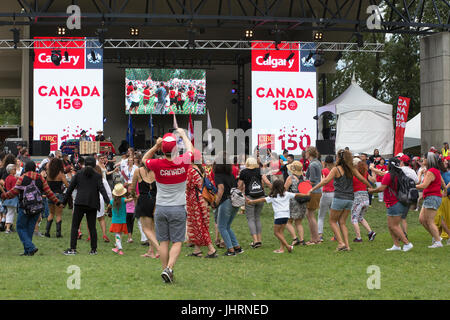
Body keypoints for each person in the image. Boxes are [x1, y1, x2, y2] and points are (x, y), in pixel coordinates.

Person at [142, 129, 194, 284]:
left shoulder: (157, 163)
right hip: (178, 208)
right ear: (176, 149)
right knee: (177, 241)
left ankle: (166, 270)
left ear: (163, 149)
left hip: (161, 208)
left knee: (163, 242)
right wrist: (184, 135)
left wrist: (155, 146)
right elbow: (191, 150)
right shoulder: (183, 162)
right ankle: (169, 268)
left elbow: (144, 159)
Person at [308, 149, 371, 251]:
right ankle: (347, 246)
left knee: (332, 221)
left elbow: (325, 181)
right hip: (350, 199)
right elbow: (362, 179)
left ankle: (341, 243)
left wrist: (313, 189)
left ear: (338, 158)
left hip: (339, 198)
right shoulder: (352, 169)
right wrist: (371, 187)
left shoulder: (336, 169)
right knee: (342, 222)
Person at [1, 161, 62, 256]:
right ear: (34, 168)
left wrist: (5, 195)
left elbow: (14, 191)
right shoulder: (41, 178)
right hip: (37, 207)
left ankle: (30, 247)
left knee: (20, 227)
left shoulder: (22, 178)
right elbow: (49, 192)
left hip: (25, 207)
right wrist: (57, 202)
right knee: (29, 229)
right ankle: (28, 252)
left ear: (25, 169)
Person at [62, 156, 111, 255]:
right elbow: (102, 190)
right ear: (94, 165)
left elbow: (70, 188)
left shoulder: (79, 174)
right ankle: (93, 250)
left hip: (80, 202)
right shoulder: (97, 176)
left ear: (84, 164)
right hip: (92, 203)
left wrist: (63, 202)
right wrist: (108, 203)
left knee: (75, 226)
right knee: (92, 227)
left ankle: (72, 249)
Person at [247, 179, 309, 253]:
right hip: (286, 216)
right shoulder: (287, 194)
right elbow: (298, 194)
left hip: (279, 216)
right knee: (281, 232)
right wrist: (306, 194)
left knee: (276, 233)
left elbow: (262, 200)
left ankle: (288, 246)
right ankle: (281, 249)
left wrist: (251, 201)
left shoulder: (273, 196)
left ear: (274, 187)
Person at [368, 158, 414, 252]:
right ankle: (396, 245)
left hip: (394, 202)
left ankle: (407, 243)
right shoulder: (400, 174)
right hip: (399, 201)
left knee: (394, 226)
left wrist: (372, 191)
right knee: (390, 225)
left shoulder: (389, 175)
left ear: (390, 165)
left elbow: (382, 188)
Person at [185, 150, 218, 258]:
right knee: (200, 224)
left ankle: (211, 249)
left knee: (199, 225)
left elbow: (188, 186)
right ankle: (197, 249)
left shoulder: (191, 170)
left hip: (195, 201)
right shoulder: (203, 170)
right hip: (203, 200)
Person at [238, 157, 272, 249]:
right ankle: (259, 240)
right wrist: (275, 190)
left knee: (251, 219)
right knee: (257, 218)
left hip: (250, 197)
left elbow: (240, 186)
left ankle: (255, 240)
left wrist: (240, 194)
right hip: (260, 196)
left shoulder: (244, 172)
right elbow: (267, 182)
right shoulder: (259, 171)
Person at [213, 154, 243, 257]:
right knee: (227, 226)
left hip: (225, 201)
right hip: (235, 201)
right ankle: (237, 247)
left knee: (221, 226)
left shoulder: (218, 175)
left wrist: (216, 202)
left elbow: (220, 189)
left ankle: (230, 250)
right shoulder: (230, 175)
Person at [415, 152, 447, 248]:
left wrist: (411, 186)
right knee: (422, 219)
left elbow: (424, 186)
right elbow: (443, 183)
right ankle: (436, 237)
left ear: (428, 160)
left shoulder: (431, 171)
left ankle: (438, 241)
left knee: (429, 221)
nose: (422, 160)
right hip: (431, 197)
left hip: (432, 197)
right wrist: (444, 191)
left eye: (424, 158)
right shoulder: (434, 170)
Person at [130, 161, 160, 258]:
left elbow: (132, 188)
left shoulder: (138, 171)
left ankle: (159, 250)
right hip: (156, 200)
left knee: (146, 229)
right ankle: (151, 251)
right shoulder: (156, 171)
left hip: (143, 200)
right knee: (152, 228)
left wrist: (134, 197)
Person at [351, 158, 377, 242]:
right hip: (366, 198)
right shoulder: (365, 173)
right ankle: (370, 232)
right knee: (360, 217)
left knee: (354, 218)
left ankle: (358, 238)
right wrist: (372, 171)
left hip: (358, 198)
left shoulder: (353, 174)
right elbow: (373, 180)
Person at [283, 161, 307, 246]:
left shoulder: (290, 178)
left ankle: (295, 238)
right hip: (302, 201)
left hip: (293, 201)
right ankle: (301, 240)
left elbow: (284, 189)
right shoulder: (304, 178)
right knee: (299, 222)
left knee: (287, 221)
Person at [44, 158, 69, 238]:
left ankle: (47, 232)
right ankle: (58, 233)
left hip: (50, 195)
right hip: (58, 195)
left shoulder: (48, 173)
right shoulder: (60, 174)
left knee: (51, 213)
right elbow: (67, 185)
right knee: (58, 214)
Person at [108, 183, 134, 255]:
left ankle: (119, 249)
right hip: (123, 221)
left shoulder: (112, 201)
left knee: (117, 235)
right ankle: (117, 247)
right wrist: (134, 197)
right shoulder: (123, 200)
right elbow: (129, 200)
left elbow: (109, 206)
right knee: (120, 234)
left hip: (115, 221)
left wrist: (108, 209)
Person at [304, 146, 322, 245]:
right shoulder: (318, 163)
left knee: (310, 215)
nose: (305, 153)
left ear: (309, 153)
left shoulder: (312, 165)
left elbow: (313, 180)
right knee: (311, 215)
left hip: (313, 191)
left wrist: (302, 182)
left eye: (306, 152)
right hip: (318, 191)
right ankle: (316, 238)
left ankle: (314, 239)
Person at [317, 155, 335, 241]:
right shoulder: (336, 170)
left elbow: (322, 181)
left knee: (321, 216)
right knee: (334, 217)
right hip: (334, 194)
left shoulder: (324, 170)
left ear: (325, 162)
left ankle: (320, 235)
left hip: (325, 194)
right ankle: (336, 235)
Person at [2, 164, 18, 233]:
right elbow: (15, 189)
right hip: (12, 196)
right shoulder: (13, 178)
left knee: (9, 212)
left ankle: (7, 226)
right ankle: (8, 228)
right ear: (11, 171)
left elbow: (4, 186)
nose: (15, 170)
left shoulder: (7, 178)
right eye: (14, 169)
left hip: (7, 196)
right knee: (11, 212)